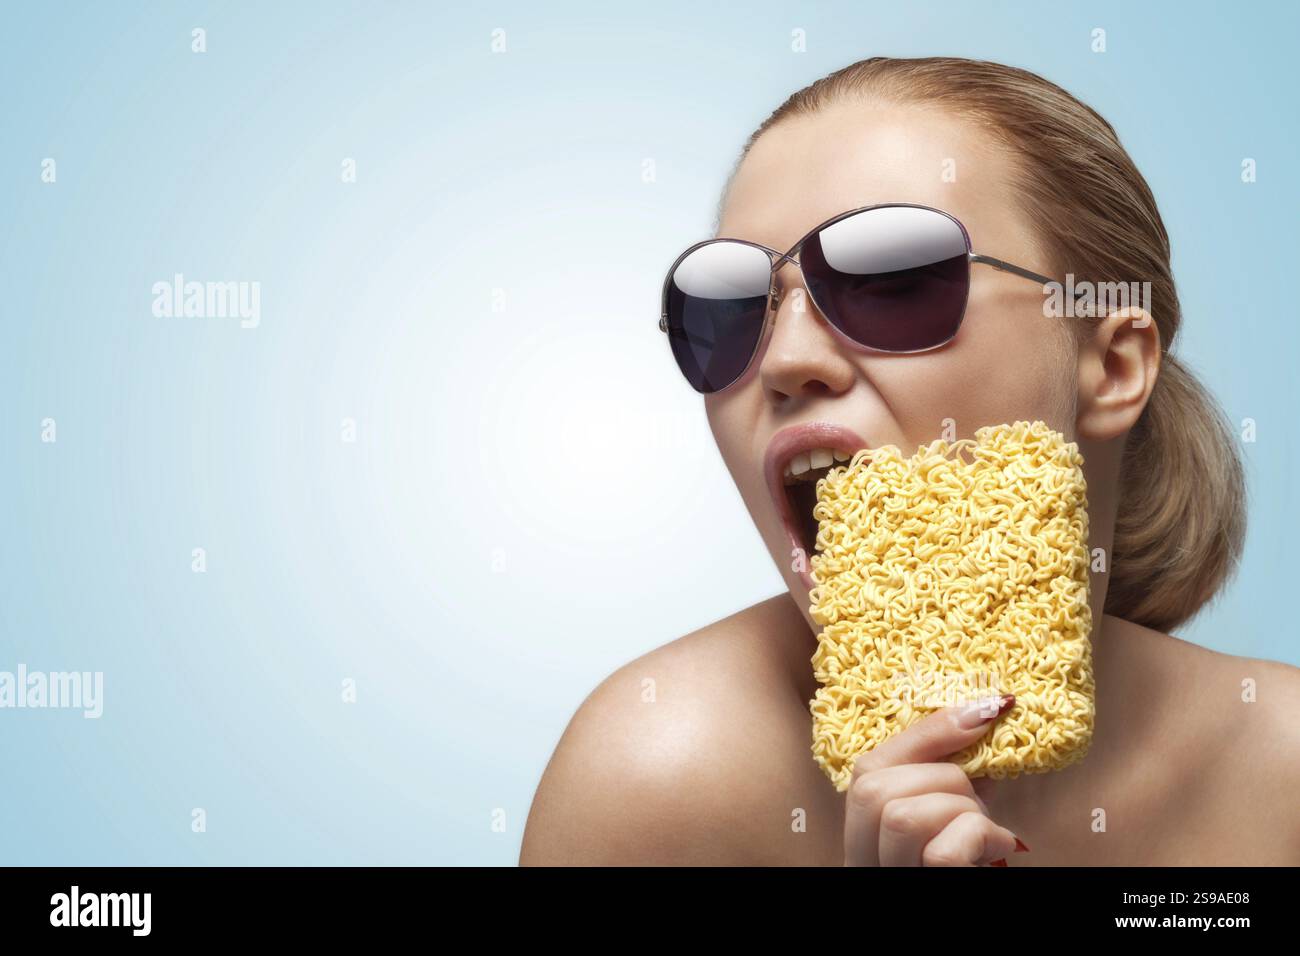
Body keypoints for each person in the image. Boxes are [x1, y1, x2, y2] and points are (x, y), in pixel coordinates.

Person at [520, 57, 1300, 866]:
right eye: (728, 309)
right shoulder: (661, 777)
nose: (785, 359)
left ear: (1113, 366)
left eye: (891, 278)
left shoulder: (1283, 770)